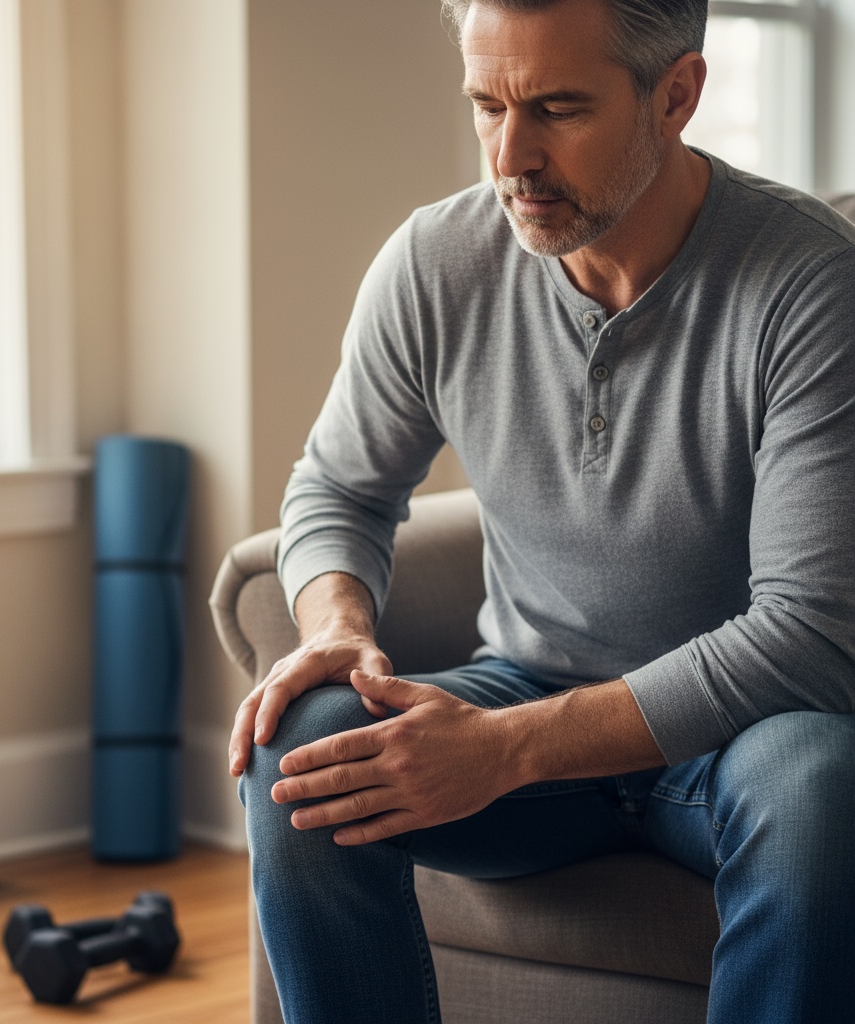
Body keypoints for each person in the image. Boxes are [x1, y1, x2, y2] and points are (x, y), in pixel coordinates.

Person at [228, 0, 855, 1020]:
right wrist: (336, 626)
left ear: (676, 96)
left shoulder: (810, 285)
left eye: (557, 108)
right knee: (302, 747)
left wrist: (507, 747)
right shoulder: (436, 264)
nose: (509, 156)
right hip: (522, 679)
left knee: (820, 788)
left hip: (743, 736)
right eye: (487, 105)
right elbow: (339, 487)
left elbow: (807, 639)